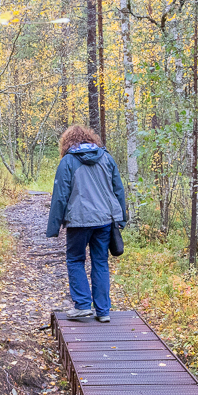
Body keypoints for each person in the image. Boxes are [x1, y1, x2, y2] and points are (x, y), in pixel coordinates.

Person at [45, 125, 128, 322]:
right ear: (91, 139)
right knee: (100, 261)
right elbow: (119, 189)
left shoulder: (68, 161)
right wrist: (121, 218)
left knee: (75, 260)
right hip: (105, 221)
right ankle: (103, 311)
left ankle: (82, 305)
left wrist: (54, 226)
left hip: (79, 221)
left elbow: (60, 196)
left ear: (67, 143)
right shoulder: (106, 157)